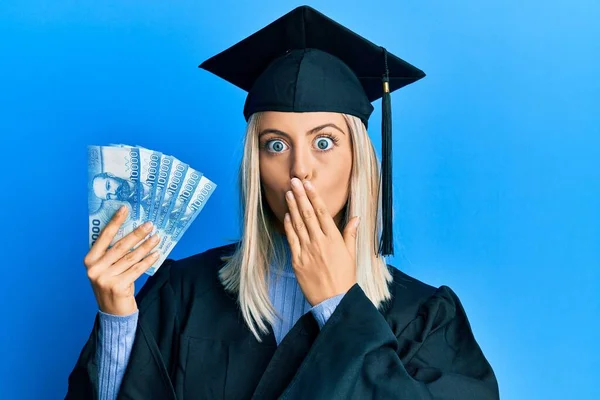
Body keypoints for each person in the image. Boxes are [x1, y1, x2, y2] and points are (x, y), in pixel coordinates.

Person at [66, 5, 499, 400]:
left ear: (360, 163)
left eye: (325, 142)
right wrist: (118, 319)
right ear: (255, 166)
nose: (300, 169)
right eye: (275, 145)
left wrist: (337, 304)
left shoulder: (425, 317)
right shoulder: (185, 293)